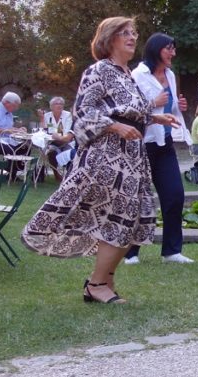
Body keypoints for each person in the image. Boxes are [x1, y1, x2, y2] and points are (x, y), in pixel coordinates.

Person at [21, 17, 181, 303]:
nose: (132, 37)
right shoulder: (99, 71)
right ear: (109, 39)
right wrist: (114, 126)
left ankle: (105, 281)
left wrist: (155, 116)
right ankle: (96, 285)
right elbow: (84, 110)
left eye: (133, 33)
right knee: (118, 217)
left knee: (131, 219)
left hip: (131, 156)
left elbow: (129, 109)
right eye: (124, 33)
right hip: (107, 157)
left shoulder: (126, 73)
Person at [124, 32, 194, 265]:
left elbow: (169, 109)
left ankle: (171, 252)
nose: (173, 53)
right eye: (169, 49)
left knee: (175, 195)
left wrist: (177, 106)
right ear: (156, 50)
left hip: (165, 145)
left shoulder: (170, 75)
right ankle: (130, 252)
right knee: (139, 198)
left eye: (174, 48)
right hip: (142, 145)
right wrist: (154, 103)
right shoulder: (137, 75)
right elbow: (129, 110)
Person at [41, 96, 76, 175]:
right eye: (56, 104)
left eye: (61, 104)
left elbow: (66, 132)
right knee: (50, 151)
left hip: (65, 142)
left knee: (68, 152)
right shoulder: (47, 116)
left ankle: (69, 173)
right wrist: (42, 119)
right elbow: (45, 130)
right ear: (51, 106)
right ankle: (55, 173)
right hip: (51, 142)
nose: (59, 105)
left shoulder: (68, 115)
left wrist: (56, 134)